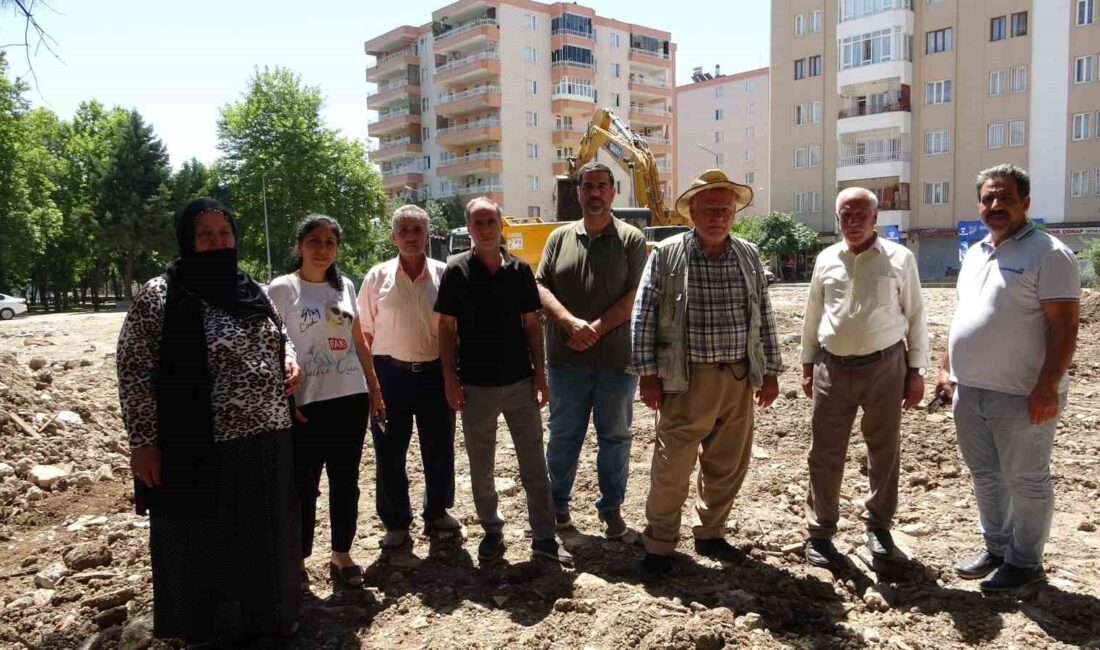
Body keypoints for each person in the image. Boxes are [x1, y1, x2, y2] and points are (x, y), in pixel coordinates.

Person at [117, 198, 301, 643]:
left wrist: (290, 359)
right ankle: (207, 632)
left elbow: (281, 334)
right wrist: (142, 443)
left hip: (267, 438)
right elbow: (134, 367)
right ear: (188, 241)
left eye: (225, 233)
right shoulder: (161, 294)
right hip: (199, 448)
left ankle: (267, 621)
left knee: (265, 538)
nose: (219, 241)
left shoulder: (250, 288)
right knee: (202, 542)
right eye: (206, 234)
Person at [630, 170, 783, 580]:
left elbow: (763, 315)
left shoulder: (749, 254)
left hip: (736, 379)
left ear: (734, 213)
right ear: (692, 212)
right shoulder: (666, 255)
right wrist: (648, 375)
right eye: (709, 209)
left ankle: (710, 533)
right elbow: (643, 316)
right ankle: (660, 544)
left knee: (727, 464)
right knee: (671, 467)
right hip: (685, 380)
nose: (718, 216)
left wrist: (769, 372)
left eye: (725, 209)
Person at [937, 164, 1080, 591]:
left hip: (1022, 394)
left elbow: (1064, 328)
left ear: (1026, 203)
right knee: (985, 474)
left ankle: (1025, 562)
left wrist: (1047, 386)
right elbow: (963, 314)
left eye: (1006, 197)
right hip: (971, 390)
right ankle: (997, 548)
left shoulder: (1050, 254)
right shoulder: (977, 251)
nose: (995, 205)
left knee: (1026, 478)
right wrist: (947, 367)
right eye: (988, 199)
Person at [435, 197, 572, 565]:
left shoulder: (520, 271)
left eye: (490, 221)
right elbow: (446, 329)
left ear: (500, 225)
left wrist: (539, 375)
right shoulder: (455, 271)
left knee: (533, 464)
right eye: (477, 222)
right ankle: (492, 530)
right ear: (469, 228)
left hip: (519, 384)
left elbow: (532, 324)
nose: (484, 228)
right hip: (475, 386)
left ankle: (544, 537)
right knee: (482, 465)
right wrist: (450, 378)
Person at [799, 188, 928, 569]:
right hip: (831, 368)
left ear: (875, 218)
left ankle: (879, 527)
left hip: (885, 368)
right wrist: (807, 364)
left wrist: (916, 370)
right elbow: (812, 314)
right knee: (824, 452)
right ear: (837, 219)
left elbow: (917, 314)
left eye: (860, 215)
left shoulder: (900, 258)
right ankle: (821, 532)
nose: (852, 223)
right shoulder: (825, 259)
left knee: (884, 450)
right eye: (845, 216)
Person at [268, 214, 383, 589]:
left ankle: (341, 553)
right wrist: (286, 400)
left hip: (349, 398)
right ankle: (298, 560)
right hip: (305, 402)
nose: (322, 249)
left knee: (346, 481)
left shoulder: (344, 286)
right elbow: (273, 346)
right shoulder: (283, 289)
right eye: (314, 241)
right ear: (299, 245)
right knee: (304, 484)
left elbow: (358, 341)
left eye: (330, 243)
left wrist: (374, 388)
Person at [535, 161, 648, 540]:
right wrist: (570, 323)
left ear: (613, 192)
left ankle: (611, 509)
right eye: (588, 186)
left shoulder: (631, 239)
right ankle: (557, 508)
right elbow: (540, 287)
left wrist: (595, 329)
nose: (595, 192)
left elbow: (635, 295)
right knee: (564, 435)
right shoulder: (559, 238)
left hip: (615, 361)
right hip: (565, 360)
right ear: (578, 193)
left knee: (615, 437)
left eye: (602, 185)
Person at [357, 205, 461, 551]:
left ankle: (437, 512)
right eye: (404, 231)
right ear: (393, 237)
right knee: (389, 451)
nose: (411, 237)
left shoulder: (446, 275)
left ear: (428, 234)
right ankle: (396, 522)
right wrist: (371, 382)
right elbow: (364, 332)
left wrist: (453, 375)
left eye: (417, 230)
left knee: (440, 446)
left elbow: (456, 329)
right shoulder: (376, 278)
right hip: (390, 375)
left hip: (435, 373)